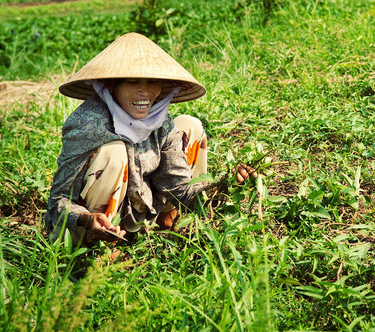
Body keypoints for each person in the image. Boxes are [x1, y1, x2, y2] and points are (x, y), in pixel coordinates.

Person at [45, 32, 255, 244]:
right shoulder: (87, 123)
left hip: (142, 214)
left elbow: (180, 188)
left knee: (190, 125)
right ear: (112, 85)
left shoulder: (161, 122)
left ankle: (167, 220)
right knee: (115, 151)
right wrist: (85, 219)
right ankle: (99, 244)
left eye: (153, 81)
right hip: (90, 227)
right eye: (133, 82)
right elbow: (58, 200)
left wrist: (227, 184)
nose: (144, 92)